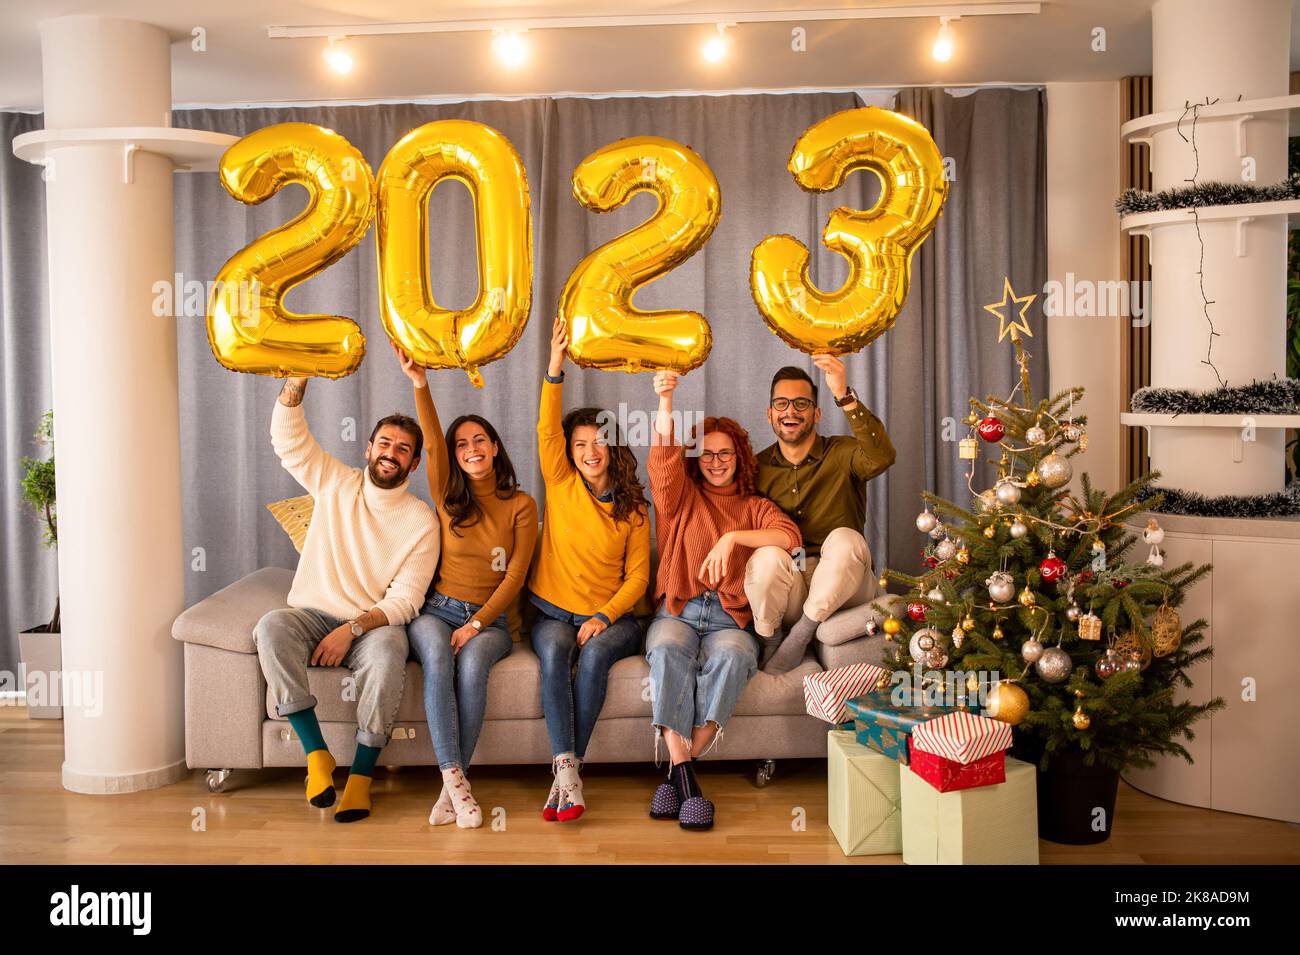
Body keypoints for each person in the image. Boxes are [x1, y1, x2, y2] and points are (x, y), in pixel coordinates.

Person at [253, 376, 438, 824]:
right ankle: (316, 756)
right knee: (271, 626)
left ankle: (360, 777)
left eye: (402, 449)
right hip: (311, 613)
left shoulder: (421, 521)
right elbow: (289, 441)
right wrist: (295, 386)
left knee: (392, 649)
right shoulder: (337, 483)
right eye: (384, 444)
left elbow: (406, 600)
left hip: (372, 625)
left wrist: (352, 629)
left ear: (413, 465)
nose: (390, 453)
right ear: (368, 450)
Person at [644, 369, 801, 830]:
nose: (715, 461)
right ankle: (689, 781)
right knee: (669, 649)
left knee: (734, 657)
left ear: (739, 457)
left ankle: (678, 768)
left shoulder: (753, 505)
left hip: (731, 619)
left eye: (724, 453)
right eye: (707, 454)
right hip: (680, 609)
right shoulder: (681, 498)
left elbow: (788, 538)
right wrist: (667, 401)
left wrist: (733, 537)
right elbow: (661, 463)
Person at [395, 344, 539, 830]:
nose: (471, 449)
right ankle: (457, 783)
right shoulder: (447, 496)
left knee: (473, 665)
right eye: (463, 445)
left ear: (495, 447)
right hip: (437, 610)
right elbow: (431, 444)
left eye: (480, 440)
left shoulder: (521, 504)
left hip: (494, 620)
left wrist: (477, 623)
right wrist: (420, 383)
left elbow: (516, 575)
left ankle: (448, 790)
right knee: (437, 658)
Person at [527, 317, 651, 823]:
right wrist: (555, 367)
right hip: (552, 610)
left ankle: (567, 774)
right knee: (556, 654)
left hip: (615, 615)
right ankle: (568, 771)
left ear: (612, 445)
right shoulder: (560, 481)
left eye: (596, 442)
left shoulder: (634, 508)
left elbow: (640, 578)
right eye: (578, 445)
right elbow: (544, 428)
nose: (588, 452)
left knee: (595, 657)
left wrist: (603, 615)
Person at [745, 356, 896, 673]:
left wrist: (844, 394)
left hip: (846, 582)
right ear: (770, 414)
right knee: (767, 555)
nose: (791, 411)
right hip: (792, 583)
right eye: (782, 403)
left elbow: (881, 456)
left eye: (801, 403)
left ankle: (799, 638)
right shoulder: (755, 468)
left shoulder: (842, 452)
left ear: (816, 414)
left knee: (845, 539)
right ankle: (771, 642)